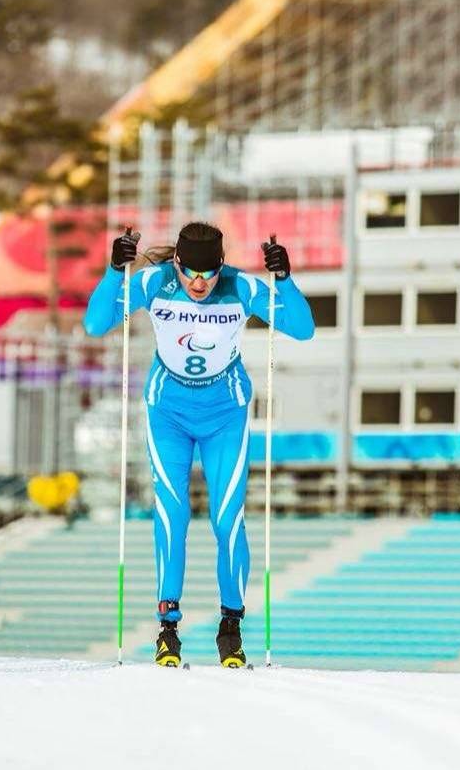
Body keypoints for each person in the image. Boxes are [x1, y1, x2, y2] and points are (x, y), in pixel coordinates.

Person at [83, 222, 315, 667]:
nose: (198, 284)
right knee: (172, 512)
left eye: (208, 275)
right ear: (177, 263)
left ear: (221, 266)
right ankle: (167, 628)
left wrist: (285, 280)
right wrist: (115, 271)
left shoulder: (240, 287)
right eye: (189, 273)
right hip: (168, 411)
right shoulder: (155, 283)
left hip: (224, 413)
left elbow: (302, 330)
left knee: (227, 517)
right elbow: (96, 323)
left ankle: (231, 627)